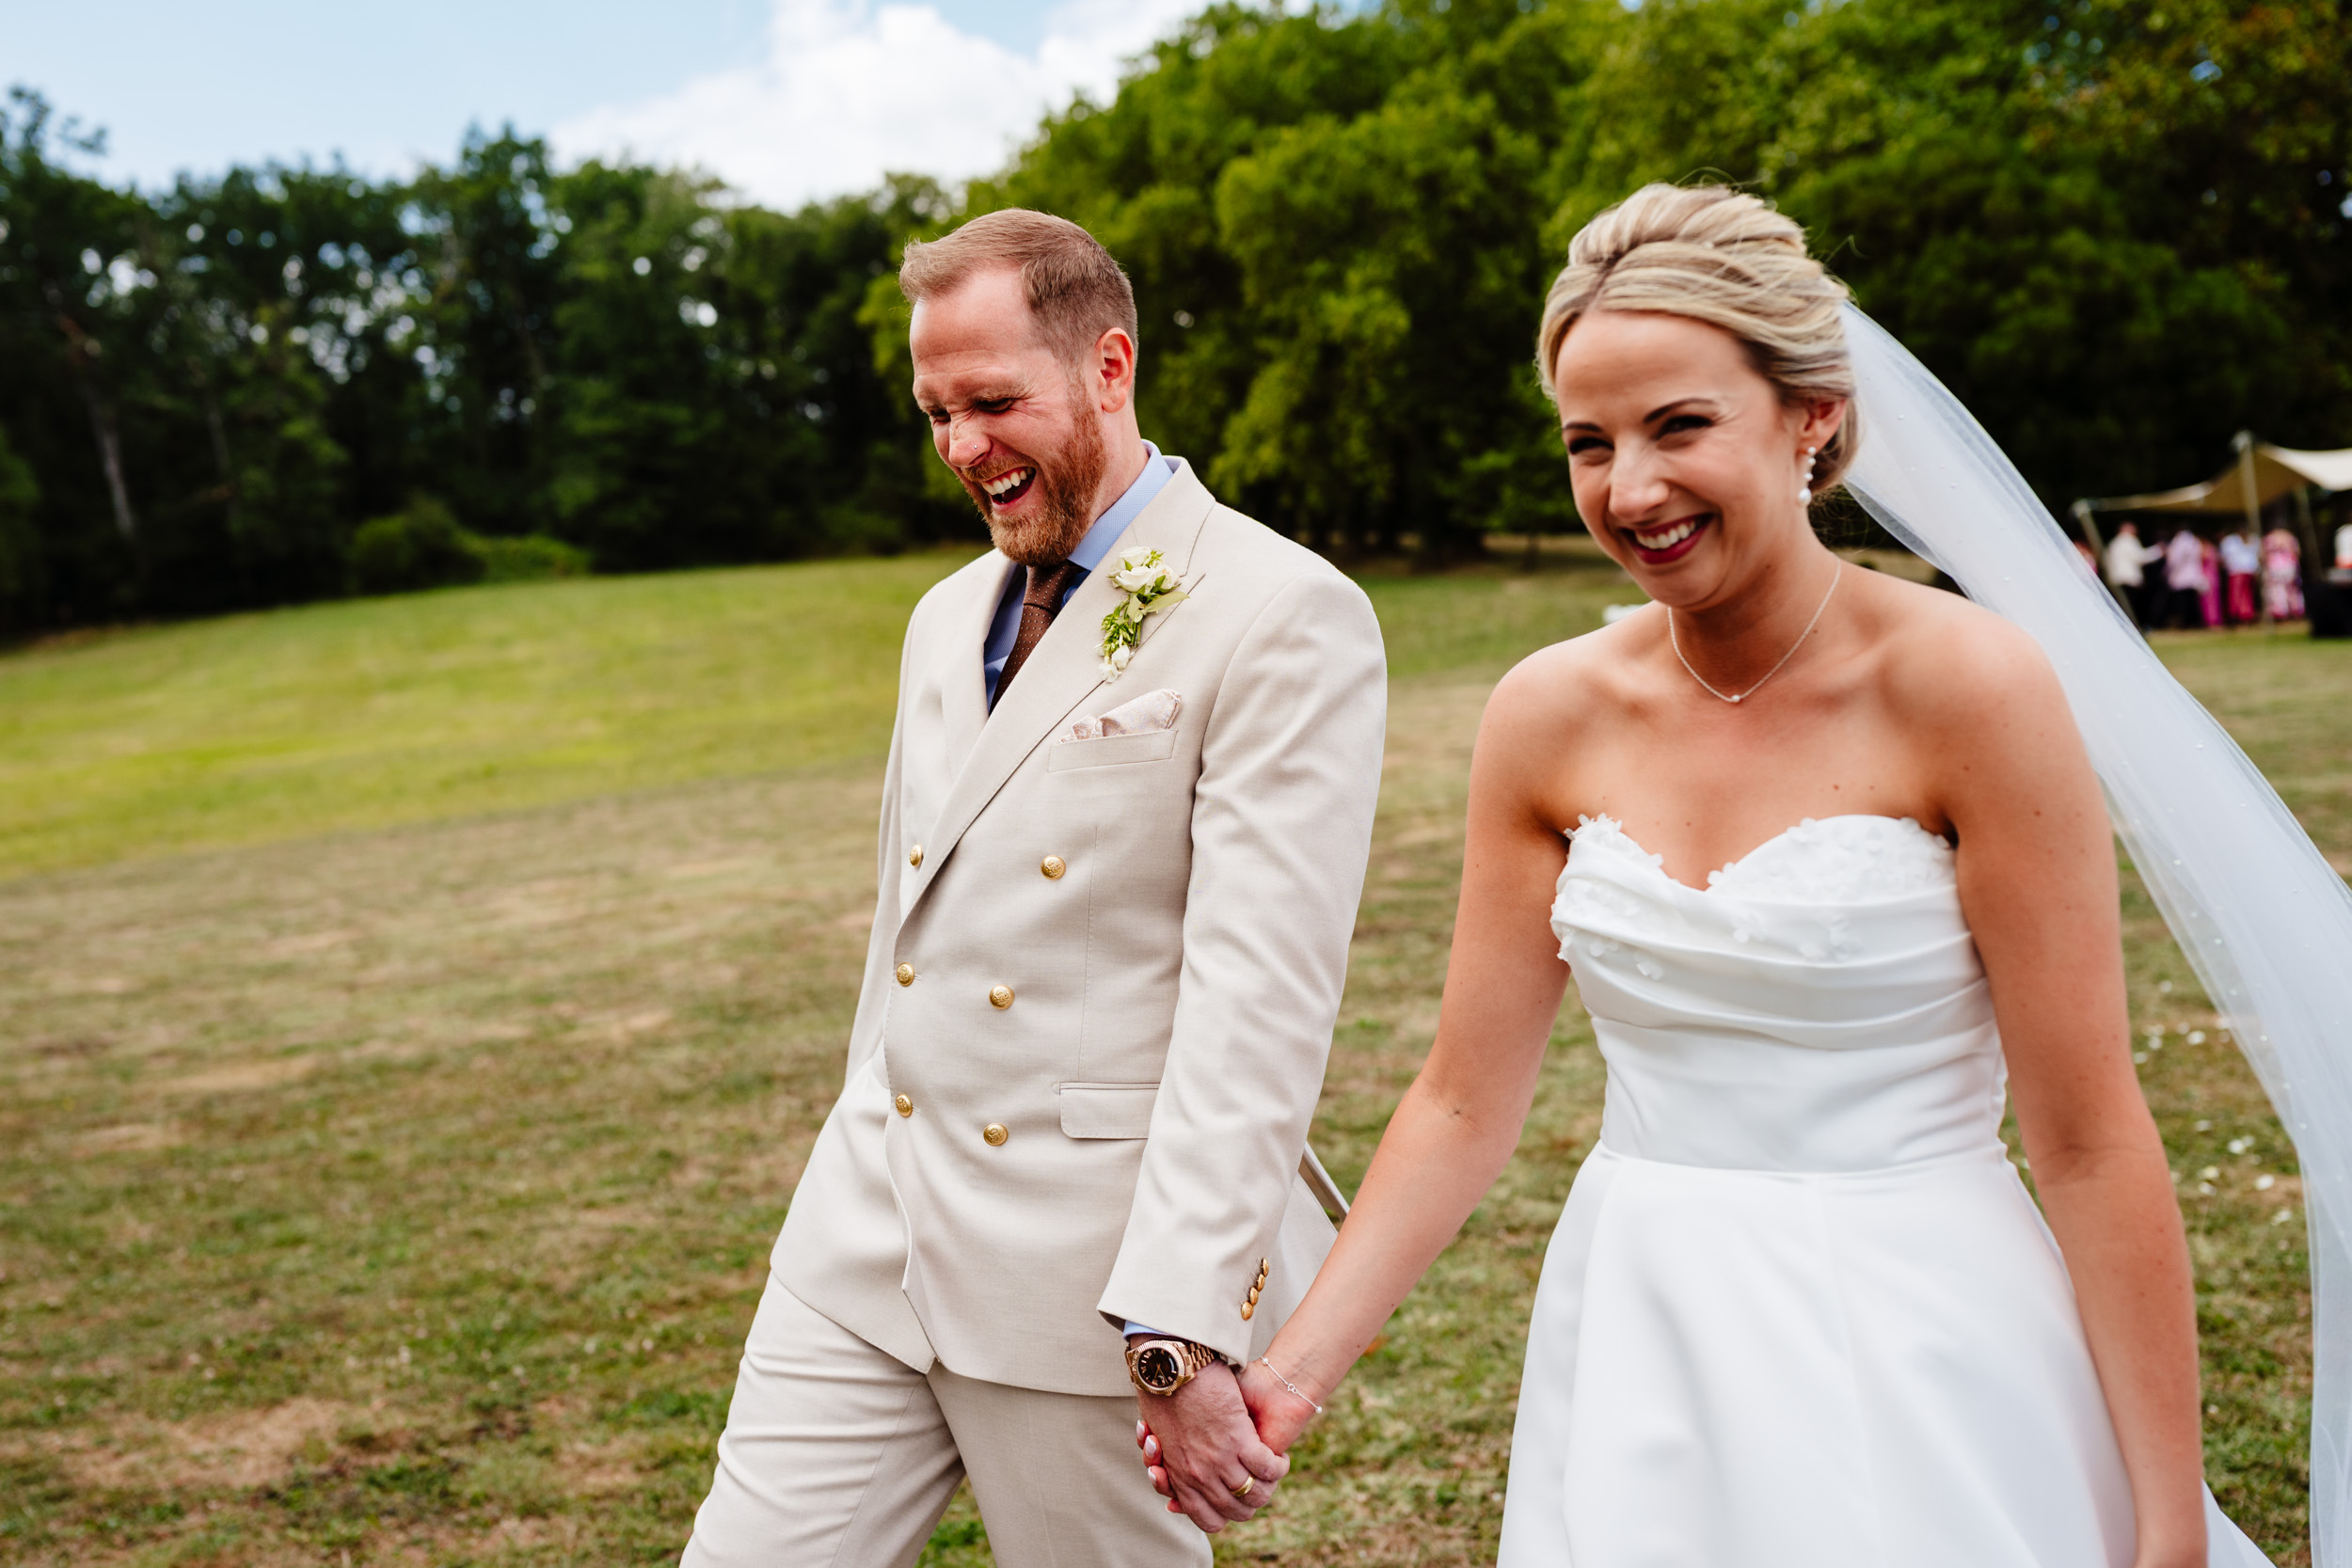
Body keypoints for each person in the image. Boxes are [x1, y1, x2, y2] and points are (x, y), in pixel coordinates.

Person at [1163, 184, 2271, 1565]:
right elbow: (1460, 1097)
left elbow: (2091, 1137)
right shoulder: (1547, 712)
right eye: (1589, 443)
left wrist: (2168, 1522)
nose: (1631, 490)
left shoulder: (1969, 687)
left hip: (1924, 1325)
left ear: (1810, 415)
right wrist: (1293, 1375)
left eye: (1680, 425)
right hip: (1646, 1334)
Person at [681, 210, 1388, 1565]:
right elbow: (908, 934)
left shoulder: (1280, 608)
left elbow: (1259, 1006)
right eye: (935, 409)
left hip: (1089, 1293)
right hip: (862, 1247)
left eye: (994, 400)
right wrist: (853, 1143)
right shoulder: (945, 614)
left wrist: (1178, 1324)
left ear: (1109, 367)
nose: (960, 446)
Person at [2104, 519, 2158, 626]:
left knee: (2121, 606)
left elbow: (2106, 560)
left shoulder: (2113, 543)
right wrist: (2158, 551)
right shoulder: (2130, 541)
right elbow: (2140, 557)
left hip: (2116, 579)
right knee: (2131, 606)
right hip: (2129, 579)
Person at [2164, 525, 2209, 629]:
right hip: (2192, 576)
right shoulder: (2194, 541)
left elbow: (2174, 560)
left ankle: (2187, 623)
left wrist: (2168, 573)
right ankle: (2195, 622)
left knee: (2183, 603)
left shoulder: (2178, 542)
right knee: (2192, 601)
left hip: (2181, 577)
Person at [2218, 530, 2260, 626]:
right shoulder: (2231, 541)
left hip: (2239, 572)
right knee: (2242, 595)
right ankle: (2242, 615)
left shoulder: (2231, 542)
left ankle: (2242, 615)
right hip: (2240, 571)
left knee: (2241, 596)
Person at [2264, 526, 2304, 621]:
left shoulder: (2270, 538)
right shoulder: (2289, 537)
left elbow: (2264, 554)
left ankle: (2281, 612)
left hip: (2275, 567)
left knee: (2277, 590)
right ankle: (2296, 610)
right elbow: (2297, 552)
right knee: (2293, 590)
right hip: (2289, 566)